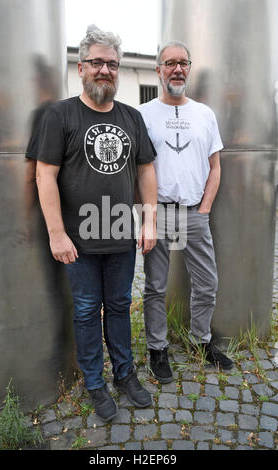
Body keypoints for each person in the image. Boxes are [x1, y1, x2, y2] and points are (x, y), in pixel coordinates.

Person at [26, 26, 157, 422]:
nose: (106, 70)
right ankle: (95, 384)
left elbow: (146, 170)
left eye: (112, 64)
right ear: (81, 67)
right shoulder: (59, 115)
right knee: (85, 310)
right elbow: (44, 175)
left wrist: (149, 221)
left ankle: (124, 374)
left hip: (120, 233)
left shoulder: (131, 117)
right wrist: (55, 232)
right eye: (97, 63)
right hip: (77, 241)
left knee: (118, 306)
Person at [138, 40, 233, 384]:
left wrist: (205, 208)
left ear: (189, 68)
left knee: (207, 283)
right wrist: (146, 216)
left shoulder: (204, 114)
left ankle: (201, 340)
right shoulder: (143, 114)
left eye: (183, 62)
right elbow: (137, 168)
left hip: (194, 213)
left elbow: (215, 166)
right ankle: (157, 348)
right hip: (158, 213)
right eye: (170, 62)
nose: (177, 68)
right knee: (155, 287)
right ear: (158, 69)